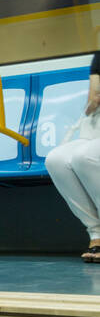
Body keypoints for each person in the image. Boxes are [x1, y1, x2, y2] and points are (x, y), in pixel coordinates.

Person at [46, 52, 100, 262]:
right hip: (93, 132)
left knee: (83, 156)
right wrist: (93, 100)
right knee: (56, 160)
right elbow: (92, 101)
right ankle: (96, 233)